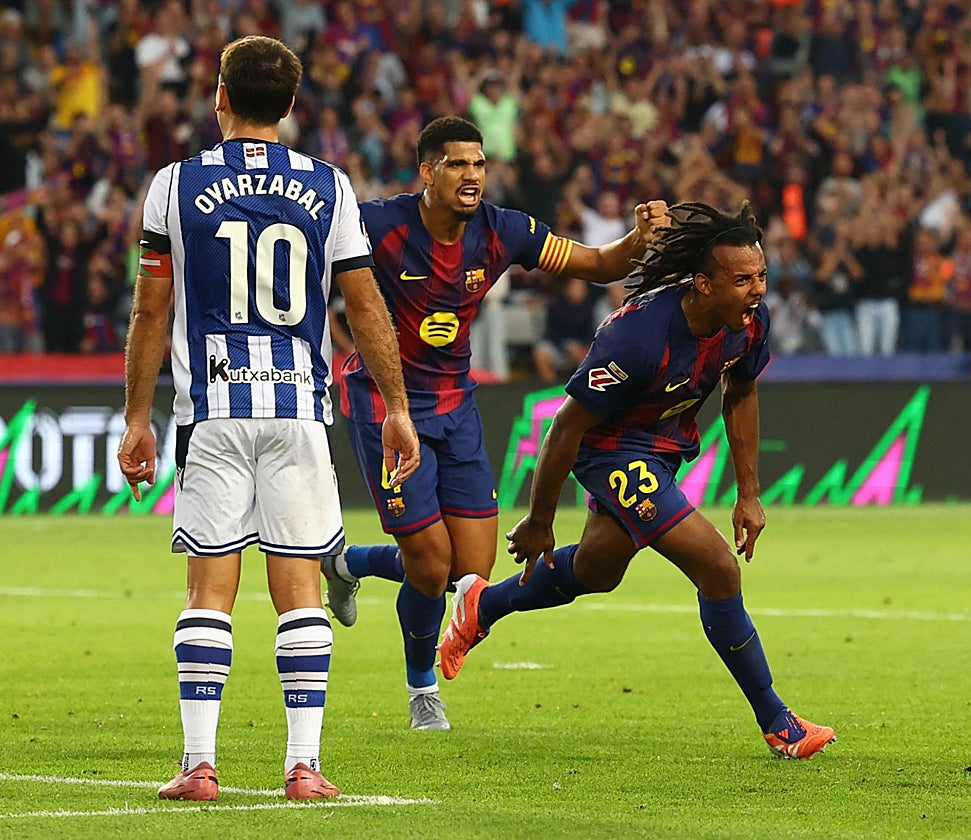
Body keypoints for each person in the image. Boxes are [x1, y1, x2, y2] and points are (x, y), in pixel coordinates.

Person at [118, 36, 419, 803]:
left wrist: (136, 417)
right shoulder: (330, 187)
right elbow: (364, 305)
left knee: (208, 590)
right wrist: (396, 406)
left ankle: (200, 765)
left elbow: (151, 309)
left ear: (220, 96)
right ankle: (303, 766)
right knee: (300, 588)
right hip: (298, 411)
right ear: (289, 104)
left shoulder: (172, 186)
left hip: (213, 409)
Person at [437, 201, 837, 760]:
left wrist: (749, 494)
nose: (757, 291)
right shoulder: (639, 336)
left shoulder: (748, 324)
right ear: (703, 285)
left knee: (598, 571)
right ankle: (778, 722)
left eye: (761, 276)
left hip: (664, 449)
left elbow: (742, 393)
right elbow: (565, 427)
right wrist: (540, 520)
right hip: (610, 451)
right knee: (718, 568)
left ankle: (483, 605)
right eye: (743, 280)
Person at [324, 115, 668, 731]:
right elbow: (308, 269)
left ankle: (348, 563)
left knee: (468, 574)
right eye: (457, 164)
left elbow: (596, 263)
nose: (472, 176)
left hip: (455, 405)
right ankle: (422, 687)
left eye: (479, 164)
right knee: (431, 565)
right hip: (386, 406)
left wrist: (637, 240)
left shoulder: (503, 229)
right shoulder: (377, 224)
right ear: (427, 172)